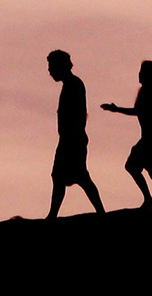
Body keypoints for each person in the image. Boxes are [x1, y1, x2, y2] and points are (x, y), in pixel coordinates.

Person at [100, 60, 152, 208]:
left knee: (151, 172)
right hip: (149, 138)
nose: (139, 74)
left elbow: (139, 111)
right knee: (143, 170)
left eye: (142, 72)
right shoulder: (148, 91)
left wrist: (117, 109)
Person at [46, 51, 107, 219]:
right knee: (67, 176)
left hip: (72, 139)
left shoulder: (74, 84)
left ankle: (100, 212)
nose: (49, 71)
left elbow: (78, 113)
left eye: (51, 66)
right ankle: (53, 214)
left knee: (76, 176)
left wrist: (73, 136)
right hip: (70, 138)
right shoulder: (71, 84)